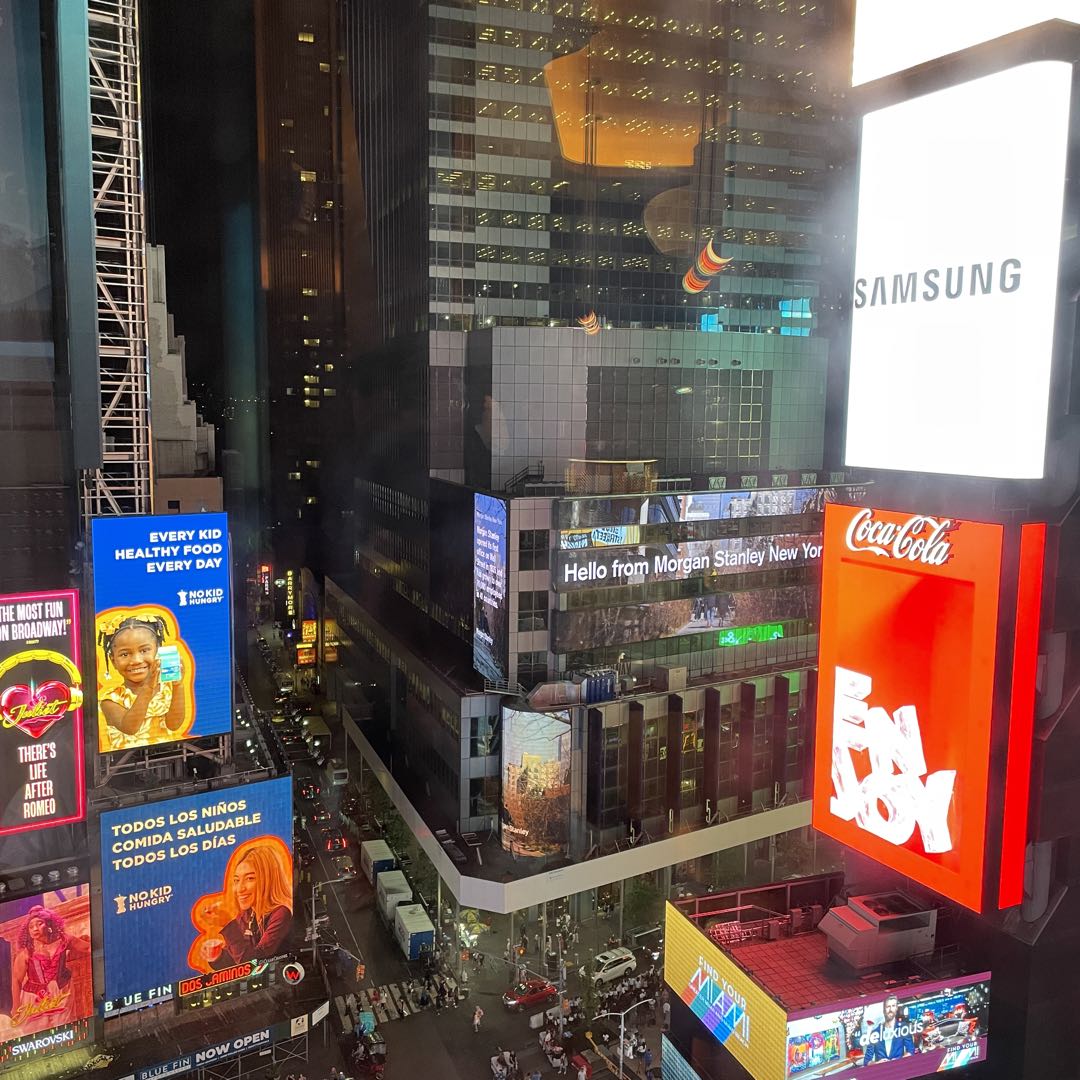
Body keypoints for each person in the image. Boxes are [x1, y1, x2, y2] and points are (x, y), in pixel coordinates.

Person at [97, 614, 188, 750]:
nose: (136, 660)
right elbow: (130, 728)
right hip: (125, 760)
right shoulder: (111, 700)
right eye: (125, 654)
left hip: (166, 753)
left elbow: (174, 725)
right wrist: (148, 687)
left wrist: (178, 685)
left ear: (158, 651)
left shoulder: (166, 689)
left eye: (144, 650)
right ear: (113, 660)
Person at [197, 841, 293, 969]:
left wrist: (227, 925)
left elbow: (252, 963)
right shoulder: (248, 914)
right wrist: (218, 956)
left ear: (268, 880)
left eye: (250, 878)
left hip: (280, 971)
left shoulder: (282, 913)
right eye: (236, 880)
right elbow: (238, 962)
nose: (240, 889)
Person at [11, 905, 91, 1032]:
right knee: (37, 1031)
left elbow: (88, 947)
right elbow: (16, 980)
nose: (35, 929)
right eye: (31, 927)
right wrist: (16, 1006)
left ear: (49, 925)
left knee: (64, 1027)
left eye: (39, 924)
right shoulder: (26, 953)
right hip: (35, 996)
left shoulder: (64, 940)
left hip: (61, 989)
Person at [863, 994, 916, 1064]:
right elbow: (866, 1061)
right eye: (888, 1006)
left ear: (896, 1008)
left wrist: (900, 1060)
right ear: (883, 1009)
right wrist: (876, 1063)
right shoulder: (875, 1033)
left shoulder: (903, 1027)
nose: (890, 1009)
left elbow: (911, 1051)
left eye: (893, 1006)